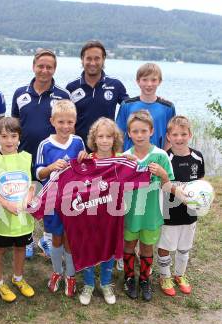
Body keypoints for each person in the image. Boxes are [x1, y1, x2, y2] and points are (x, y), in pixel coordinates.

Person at [11, 48, 70, 258]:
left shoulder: (63, 95)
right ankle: (26, 239)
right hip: (25, 155)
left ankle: (45, 239)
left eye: (49, 67)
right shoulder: (20, 93)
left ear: (54, 69)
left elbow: (67, 124)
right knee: (26, 197)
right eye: (40, 66)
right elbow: (14, 124)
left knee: (49, 201)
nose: (44, 70)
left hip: (50, 158)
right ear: (33, 66)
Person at [122, 110, 179, 302]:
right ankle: (129, 277)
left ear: (151, 131)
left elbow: (169, 186)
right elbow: (117, 186)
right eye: (135, 131)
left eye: (143, 131)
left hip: (151, 213)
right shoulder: (125, 157)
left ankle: (145, 279)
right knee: (129, 244)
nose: (139, 135)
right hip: (130, 213)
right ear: (128, 133)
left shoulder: (161, 155)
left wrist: (163, 174)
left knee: (147, 247)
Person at [35, 100, 85, 297]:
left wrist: (84, 158)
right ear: (52, 121)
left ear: (75, 122)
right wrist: (50, 168)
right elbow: (38, 173)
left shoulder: (78, 142)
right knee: (56, 237)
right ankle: (57, 271)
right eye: (61, 121)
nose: (65, 126)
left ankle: (71, 275)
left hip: (73, 200)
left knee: (70, 238)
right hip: (53, 199)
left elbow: (83, 169)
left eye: (70, 122)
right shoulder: (45, 145)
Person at [0, 117, 35, 303]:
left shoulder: (27, 157)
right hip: (2, 217)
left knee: (20, 247)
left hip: (22, 216)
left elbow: (32, 185)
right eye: (4, 136)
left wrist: (26, 201)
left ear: (19, 137)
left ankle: (18, 279)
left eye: (13, 136)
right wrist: (7, 204)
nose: (9, 141)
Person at [77, 118, 124, 305]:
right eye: (100, 136)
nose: (104, 140)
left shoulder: (121, 160)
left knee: (109, 246)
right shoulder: (88, 160)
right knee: (88, 245)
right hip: (91, 213)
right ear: (94, 139)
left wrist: (131, 159)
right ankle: (88, 284)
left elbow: (138, 172)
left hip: (112, 214)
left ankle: (105, 283)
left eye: (109, 136)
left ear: (115, 139)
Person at [157, 116, 204, 296]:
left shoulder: (197, 157)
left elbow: (201, 183)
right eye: (175, 134)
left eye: (183, 134)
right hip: (169, 212)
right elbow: (161, 184)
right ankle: (165, 275)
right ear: (168, 136)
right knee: (165, 245)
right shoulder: (164, 157)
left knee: (185, 245)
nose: (179, 138)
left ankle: (180, 274)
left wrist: (201, 197)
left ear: (190, 134)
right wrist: (178, 192)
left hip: (190, 211)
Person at [66, 40, 128, 148]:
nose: (93, 63)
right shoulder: (72, 87)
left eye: (97, 58)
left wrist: (154, 99)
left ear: (103, 59)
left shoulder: (115, 85)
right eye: (89, 58)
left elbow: (131, 107)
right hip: (80, 149)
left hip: (106, 149)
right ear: (82, 60)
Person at [116, 63, 176, 151]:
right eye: (144, 80)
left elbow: (170, 137)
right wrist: (120, 158)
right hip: (131, 159)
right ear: (138, 81)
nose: (149, 84)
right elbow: (119, 135)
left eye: (153, 80)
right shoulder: (127, 105)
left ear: (159, 81)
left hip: (156, 160)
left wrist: (164, 157)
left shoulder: (168, 108)